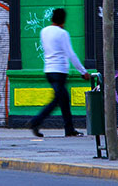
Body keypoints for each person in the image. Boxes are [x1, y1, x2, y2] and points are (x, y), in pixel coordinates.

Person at [28, 8, 91, 137]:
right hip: (59, 71)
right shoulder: (62, 34)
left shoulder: (44, 31)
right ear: (63, 20)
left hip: (49, 71)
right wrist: (83, 71)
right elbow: (71, 54)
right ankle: (35, 121)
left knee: (63, 100)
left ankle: (69, 129)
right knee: (58, 100)